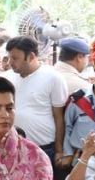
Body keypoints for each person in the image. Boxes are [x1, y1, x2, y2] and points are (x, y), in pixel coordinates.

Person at [5, 35, 69, 170]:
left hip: (44, 148)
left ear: (31, 56)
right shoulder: (7, 78)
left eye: (15, 58)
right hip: (14, 148)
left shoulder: (53, 78)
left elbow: (59, 117)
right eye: (9, 57)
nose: (10, 62)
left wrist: (59, 150)